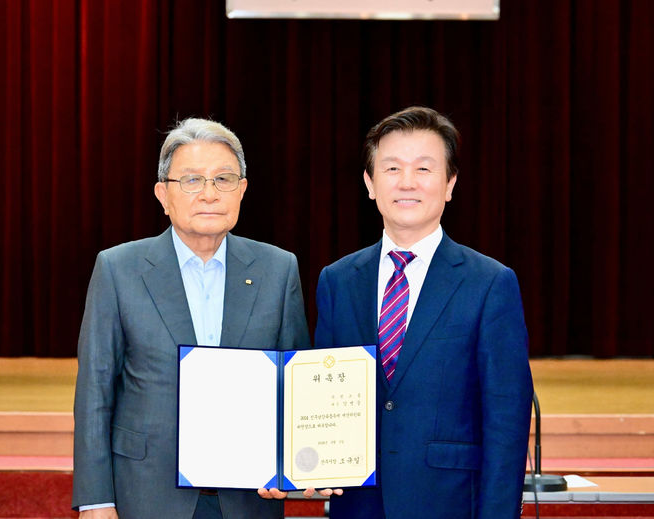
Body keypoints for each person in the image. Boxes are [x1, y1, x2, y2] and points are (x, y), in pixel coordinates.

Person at [72, 118, 310, 519]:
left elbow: (295, 387)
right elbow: (95, 392)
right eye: (192, 181)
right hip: (146, 492)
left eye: (223, 179)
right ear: (163, 195)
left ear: (243, 191)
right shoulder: (118, 269)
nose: (209, 194)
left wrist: (292, 466)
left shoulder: (278, 269)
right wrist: (97, 499)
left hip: (248, 496)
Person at [314, 106, 533, 518]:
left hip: (450, 503)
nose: (407, 183)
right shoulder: (338, 281)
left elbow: (507, 422)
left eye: (424, 169)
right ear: (370, 183)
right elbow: (321, 395)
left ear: (450, 183)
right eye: (392, 168)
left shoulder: (490, 284)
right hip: (360, 506)